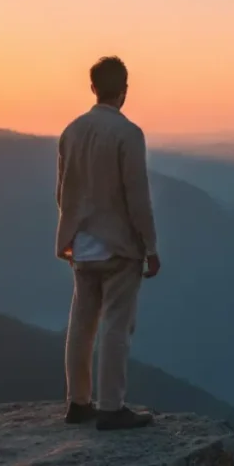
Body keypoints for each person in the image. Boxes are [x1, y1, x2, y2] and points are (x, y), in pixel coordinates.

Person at [55, 56, 161, 430]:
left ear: (93, 88)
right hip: (119, 247)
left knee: (81, 324)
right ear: (125, 90)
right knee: (116, 326)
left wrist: (71, 234)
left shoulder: (72, 131)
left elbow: (63, 192)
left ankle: (78, 403)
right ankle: (112, 408)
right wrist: (150, 247)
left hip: (82, 245)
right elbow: (137, 196)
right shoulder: (128, 134)